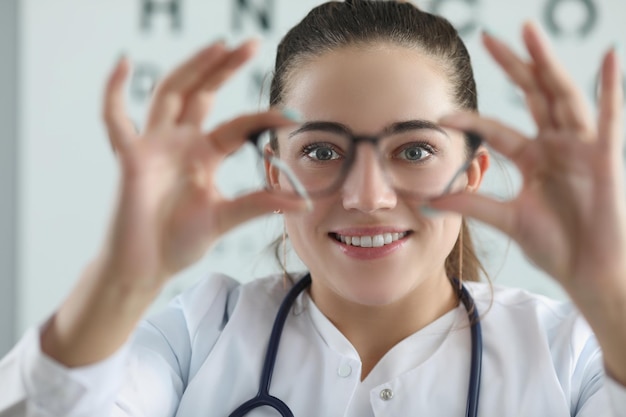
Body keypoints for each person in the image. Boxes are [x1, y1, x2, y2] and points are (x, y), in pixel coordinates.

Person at [1, 0, 625, 415]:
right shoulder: (200, 335)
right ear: (274, 172)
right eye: (323, 149)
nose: (366, 196)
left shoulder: (572, 356)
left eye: (413, 150)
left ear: (474, 170)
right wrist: (122, 279)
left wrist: (609, 289)